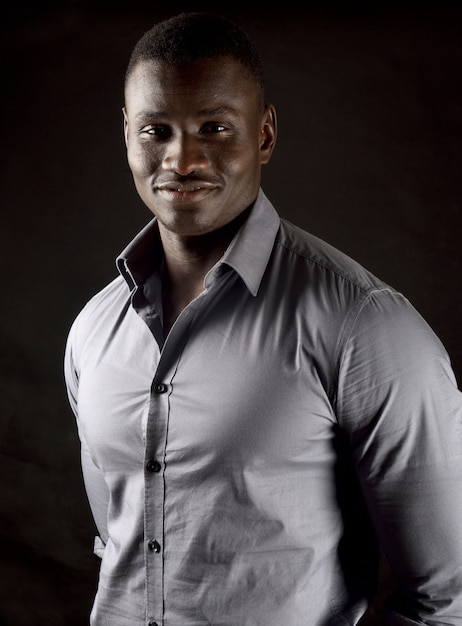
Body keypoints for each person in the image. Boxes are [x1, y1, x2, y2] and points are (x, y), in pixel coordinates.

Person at [64, 11, 462, 626]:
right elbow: (121, 545)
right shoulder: (93, 332)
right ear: (126, 134)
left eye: (214, 128)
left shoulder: (365, 326)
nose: (182, 159)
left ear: (265, 135)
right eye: (156, 130)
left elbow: (445, 601)